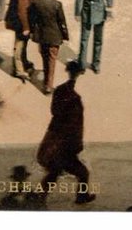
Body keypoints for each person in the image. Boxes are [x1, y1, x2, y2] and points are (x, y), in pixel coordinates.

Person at [36, 60, 96, 205]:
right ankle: (81, 196)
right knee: (80, 172)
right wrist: (77, 143)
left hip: (54, 138)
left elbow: (54, 111)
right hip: (65, 143)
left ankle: (40, 197)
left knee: (55, 172)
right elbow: (75, 124)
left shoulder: (59, 90)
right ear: (79, 73)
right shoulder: (75, 98)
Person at [30, 0, 70, 94]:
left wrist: (33, 33)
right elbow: (62, 22)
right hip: (54, 37)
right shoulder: (57, 4)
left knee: (44, 58)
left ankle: (46, 81)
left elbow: (33, 20)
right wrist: (65, 36)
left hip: (42, 37)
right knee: (52, 60)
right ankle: (48, 85)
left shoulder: (36, 3)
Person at [5, 0, 39, 78]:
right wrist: (26, 27)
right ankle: (19, 70)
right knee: (19, 45)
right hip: (20, 21)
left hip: (20, 19)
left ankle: (24, 62)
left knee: (23, 43)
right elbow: (22, 8)